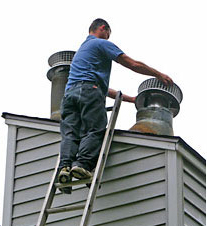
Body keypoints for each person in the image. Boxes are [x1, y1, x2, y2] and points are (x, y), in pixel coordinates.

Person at [58, 18, 173, 190]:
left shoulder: (82, 51)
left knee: (71, 133)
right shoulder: (100, 44)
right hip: (89, 91)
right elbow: (132, 63)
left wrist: (131, 99)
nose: (108, 37)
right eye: (108, 34)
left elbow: (101, 88)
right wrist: (158, 74)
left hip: (69, 96)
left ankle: (64, 168)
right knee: (95, 128)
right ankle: (82, 164)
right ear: (103, 28)